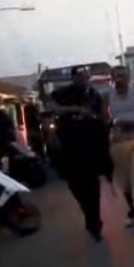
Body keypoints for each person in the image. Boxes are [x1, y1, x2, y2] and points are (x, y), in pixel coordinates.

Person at [50, 65, 111, 241]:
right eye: (81, 76)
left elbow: (102, 117)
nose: (84, 79)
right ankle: (88, 214)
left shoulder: (94, 95)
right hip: (69, 145)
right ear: (74, 78)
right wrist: (76, 109)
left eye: (86, 76)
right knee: (75, 185)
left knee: (93, 186)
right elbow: (54, 108)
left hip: (90, 145)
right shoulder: (63, 93)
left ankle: (95, 222)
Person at [106, 66, 134, 234]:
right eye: (117, 76)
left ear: (128, 77)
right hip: (118, 142)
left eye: (123, 76)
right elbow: (105, 117)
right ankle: (131, 208)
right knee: (125, 183)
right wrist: (114, 123)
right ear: (112, 78)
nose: (120, 79)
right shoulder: (108, 96)